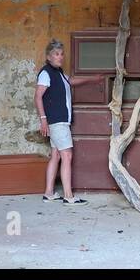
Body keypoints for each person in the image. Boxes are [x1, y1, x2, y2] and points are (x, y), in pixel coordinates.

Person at [35, 39, 99, 204]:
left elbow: (71, 81)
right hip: (57, 121)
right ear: (48, 56)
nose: (60, 57)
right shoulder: (46, 73)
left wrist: (92, 79)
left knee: (56, 155)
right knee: (67, 155)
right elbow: (38, 97)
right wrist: (43, 120)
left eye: (62, 54)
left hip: (59, 121)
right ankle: (69, 196)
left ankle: (49, 193)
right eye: (56, 54)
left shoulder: (59, 73)